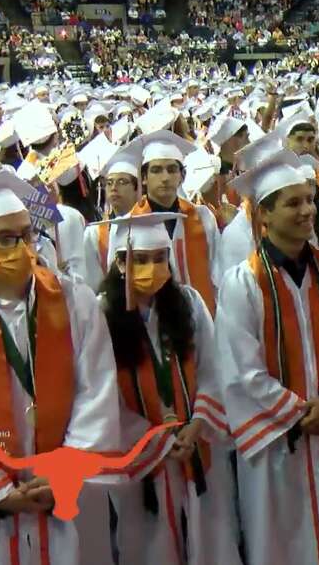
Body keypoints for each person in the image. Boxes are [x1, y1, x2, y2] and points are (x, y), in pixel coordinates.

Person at [0, 171, 121, 565]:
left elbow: (97, 391)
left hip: (70, 493)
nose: (21, 249)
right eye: (6, 239)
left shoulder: (77, 303)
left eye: (26, 235)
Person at [215, 151, 319, 565]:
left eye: (309, 200)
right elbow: (241, 369)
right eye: (293, 202)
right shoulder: (243, 283)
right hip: (276, 439)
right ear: (263, 214)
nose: (307, 210)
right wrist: (301, 413)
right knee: (283, 541)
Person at [93, 213, 240, 565]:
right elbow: (100, 394)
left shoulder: (187, 303)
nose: (152, 268)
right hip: (141, 456)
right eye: (141, 259)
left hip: (196, 443)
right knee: (149, 540)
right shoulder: (100, 315)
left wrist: (198, 422)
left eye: (160, 258)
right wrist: (154, 438)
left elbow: (213, 367)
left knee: (210, 536)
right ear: (120, 262)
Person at [123, 131, 220, 315]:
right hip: (152, 323)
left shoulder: (203, 217)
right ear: (143, 178)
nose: (165, 177)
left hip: (202, 319)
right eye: (156, 170)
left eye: (172, 169)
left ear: (182, 176)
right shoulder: (128, 225)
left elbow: (217, 271)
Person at [81, 146, 141, 291]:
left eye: (122, 182)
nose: (113, 188)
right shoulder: (94, 234)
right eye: (109, 183)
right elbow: (92, 283)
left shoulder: (151, 224)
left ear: (136, 189)